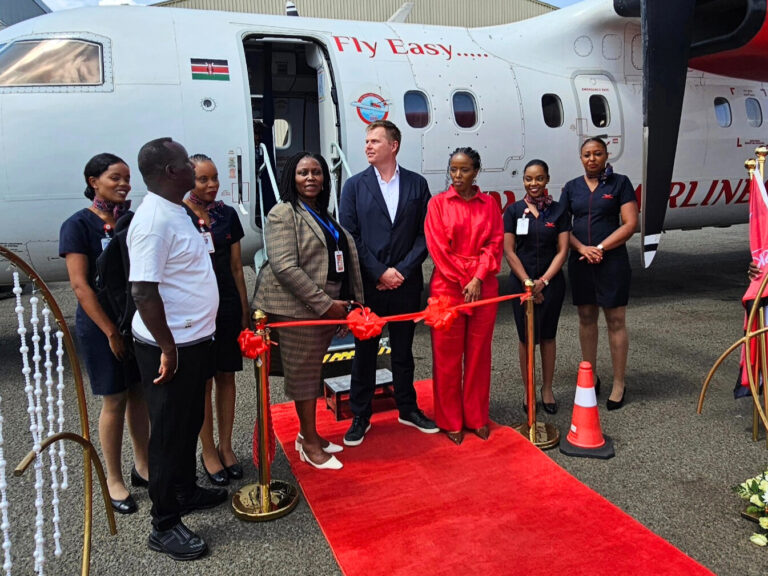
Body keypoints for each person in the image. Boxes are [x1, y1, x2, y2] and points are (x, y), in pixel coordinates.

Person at [128, 138, 226, 561]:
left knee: (188, 421)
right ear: (171, 171)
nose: (192, 166)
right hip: (170, 347)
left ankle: (184, 490)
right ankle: (164, 524)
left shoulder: (176, 209)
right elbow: (143, 291)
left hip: (194, 338)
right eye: (186, 162)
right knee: (167, 434)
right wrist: (168, 347)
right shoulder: (153, 221)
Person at [253, 151, 364, 469]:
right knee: (303, 378)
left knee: (314, 373)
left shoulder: (323, 214)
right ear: (292, 177)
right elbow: (285, 268)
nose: (311, 178)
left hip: (325, 306)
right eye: (303, 172)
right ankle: (310, 443)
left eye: (317, 172)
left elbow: (338, 260)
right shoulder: (283, 213)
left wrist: (346, 306)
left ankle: (307, 434)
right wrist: (327, 306)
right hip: (296, 309)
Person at [59, 153, 150, 515]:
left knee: (140, 394)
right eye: (115, 177)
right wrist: (111, 331)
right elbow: (80, 286)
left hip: (134, 320)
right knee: (115, 400)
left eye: (127, 178)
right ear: (93, 181)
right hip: (102, 325)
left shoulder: (130, 220)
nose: (124, 184)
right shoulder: (77, 225)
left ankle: (143, 465)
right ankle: (114, 477)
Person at [339, 119, 438, 446]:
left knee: (404, 351)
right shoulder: (353, 186)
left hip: (406, 284)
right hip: (368, 285)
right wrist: (380, 271)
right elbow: (350, 235)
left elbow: (425, 233)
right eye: (367, 141)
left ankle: (407, 408)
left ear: (393, 146)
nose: (368, 146)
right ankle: (360, 414)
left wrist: (403, 271)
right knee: (364, 352)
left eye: (375, 141)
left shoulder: (416, 184)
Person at [424, 147, 503, 445]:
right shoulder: (438, 204)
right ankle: (450, 419)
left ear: (476, 172)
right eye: (453, 169)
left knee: (479, 355)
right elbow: (438, 250)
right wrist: (465, 280)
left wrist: (478, 278)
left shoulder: (489, 205)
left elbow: (494, 244)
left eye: (464, 170)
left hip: (483, 287)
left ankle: (476, 416)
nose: (457, 176)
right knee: (446, 358)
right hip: (447, 288)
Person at [183, 154, 249, 486]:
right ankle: (207, 450)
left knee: (227, 377)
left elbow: (237, 266)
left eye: (215, 178)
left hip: (225, 306)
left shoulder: (227, 216)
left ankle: (226, 446)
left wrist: (244, 307)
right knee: (203, 382)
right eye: (203, 180)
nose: (212, 185)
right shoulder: (178, 216)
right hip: (195, 312)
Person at [560, 137, 638, 410]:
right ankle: (590, 376)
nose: (591, 159)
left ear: (606, 155)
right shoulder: (571, 188)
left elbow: (630, 224)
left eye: (597, 154)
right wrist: (582, 248)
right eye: (586, 155)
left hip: (611, 260)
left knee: (615, 320)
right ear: (580, 158)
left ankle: (619, 382)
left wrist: (601, 248)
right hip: (581, 260)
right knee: (586, 317)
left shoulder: (620, 184)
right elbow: (561, 226)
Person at [503, 160, 570, 414]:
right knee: (526, 339)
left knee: (549, 336)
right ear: (523, 180)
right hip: (522, 284)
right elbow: (509, 251)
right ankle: (528, 388)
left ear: (547, 179)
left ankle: (547, 388)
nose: (534, 184)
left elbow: (562, 250)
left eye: (539, 178)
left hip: (551, 284)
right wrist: (528, 284)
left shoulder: (559, 211)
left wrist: (543, 282)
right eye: (529, 179)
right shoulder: (513, 211)